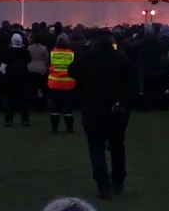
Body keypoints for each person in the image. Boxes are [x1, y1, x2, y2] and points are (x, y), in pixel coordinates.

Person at [68, 29, 137, 200]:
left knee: (96, 149)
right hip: (117, 109)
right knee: (117, 146)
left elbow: (72, 71)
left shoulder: (87, 58)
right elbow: (134, 84)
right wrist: (123, 102)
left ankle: (104, 185)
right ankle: (118, 181)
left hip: (93, 108)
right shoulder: (121, 59)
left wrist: (82, 51)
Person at [46, 32, 76, 133]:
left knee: (55, 107)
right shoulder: (72, 53)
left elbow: (48, 65)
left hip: (54, 83)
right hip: (69, 84)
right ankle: (69, 128)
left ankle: (54, 127)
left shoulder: (52, 52)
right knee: (68, 108)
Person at [1, 33, 32, 127]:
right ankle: (25, 120)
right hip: (23, 77)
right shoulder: (24, 51)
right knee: (24, 100)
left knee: (10, 100)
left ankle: (8, 121)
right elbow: (29, 60)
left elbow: (3, 63)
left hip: (11, 77)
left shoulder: (8, 51)